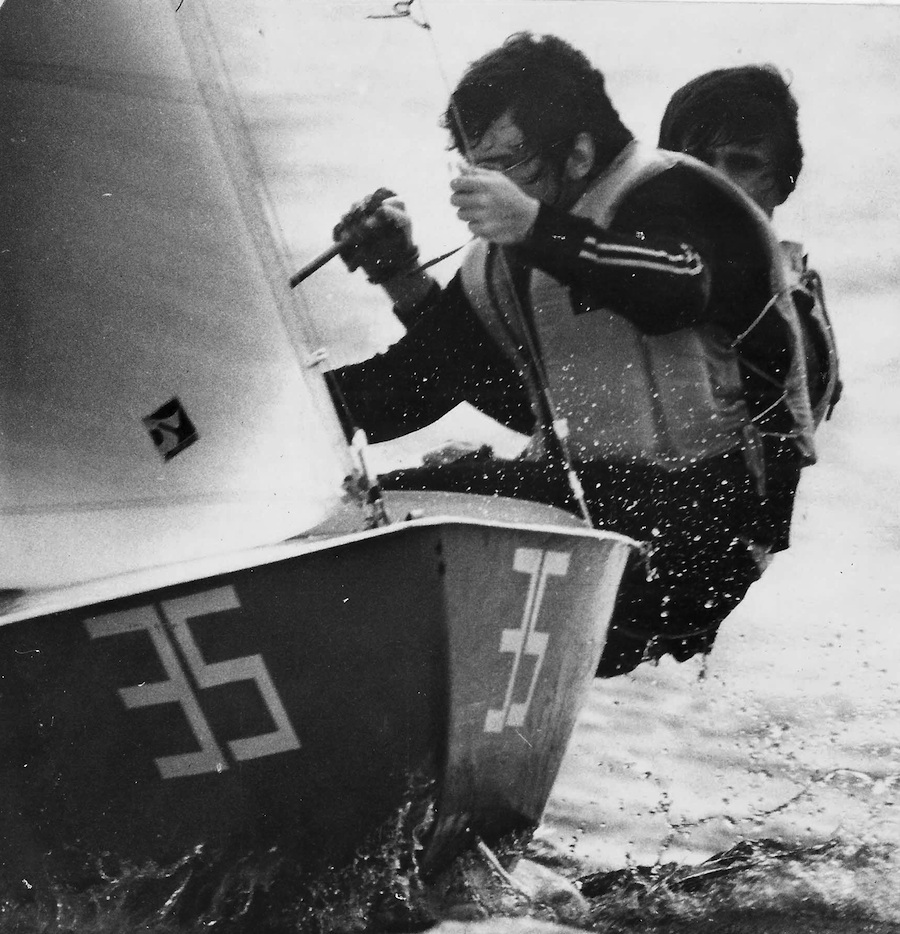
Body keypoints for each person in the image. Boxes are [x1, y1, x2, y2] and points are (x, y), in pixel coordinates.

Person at [329, 34, 817, 677]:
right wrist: (263, 412)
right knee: (356, 515)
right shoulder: (512, 259)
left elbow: (676, 291)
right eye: (476, 167)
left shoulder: (684, 210)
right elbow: (420, 382)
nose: (484, 188)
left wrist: (534, 227)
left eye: (505, 163)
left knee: (393, 523)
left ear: (581, 153)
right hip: (604, 529)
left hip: (702, 537)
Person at [658, 64, 841, 566]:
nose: (715, 181)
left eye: (741, 163)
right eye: (696, 160)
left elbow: (755, 505)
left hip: (693, 552)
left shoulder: (789, 314)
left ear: (782, 184)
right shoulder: (647, 272)